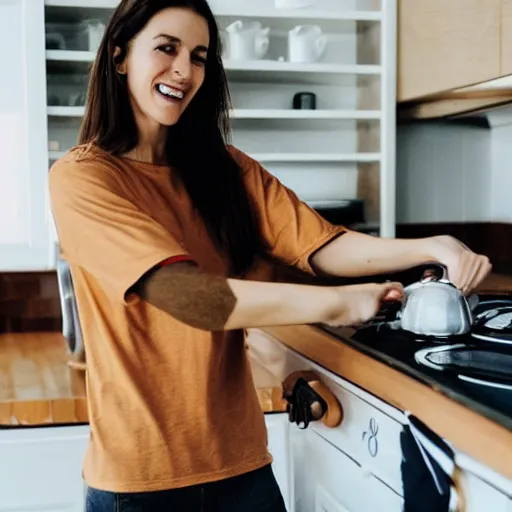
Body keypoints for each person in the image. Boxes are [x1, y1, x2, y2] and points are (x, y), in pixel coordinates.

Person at [48, 0, 492, 510]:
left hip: (241, 466)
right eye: (166, 48)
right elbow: (194, 298)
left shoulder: (225, 170)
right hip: (142, 481)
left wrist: (430, 246)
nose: (184, 70)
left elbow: (322, 245)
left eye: (199, 56)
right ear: (121, 55)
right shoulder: (83, 178)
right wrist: (339, 303)